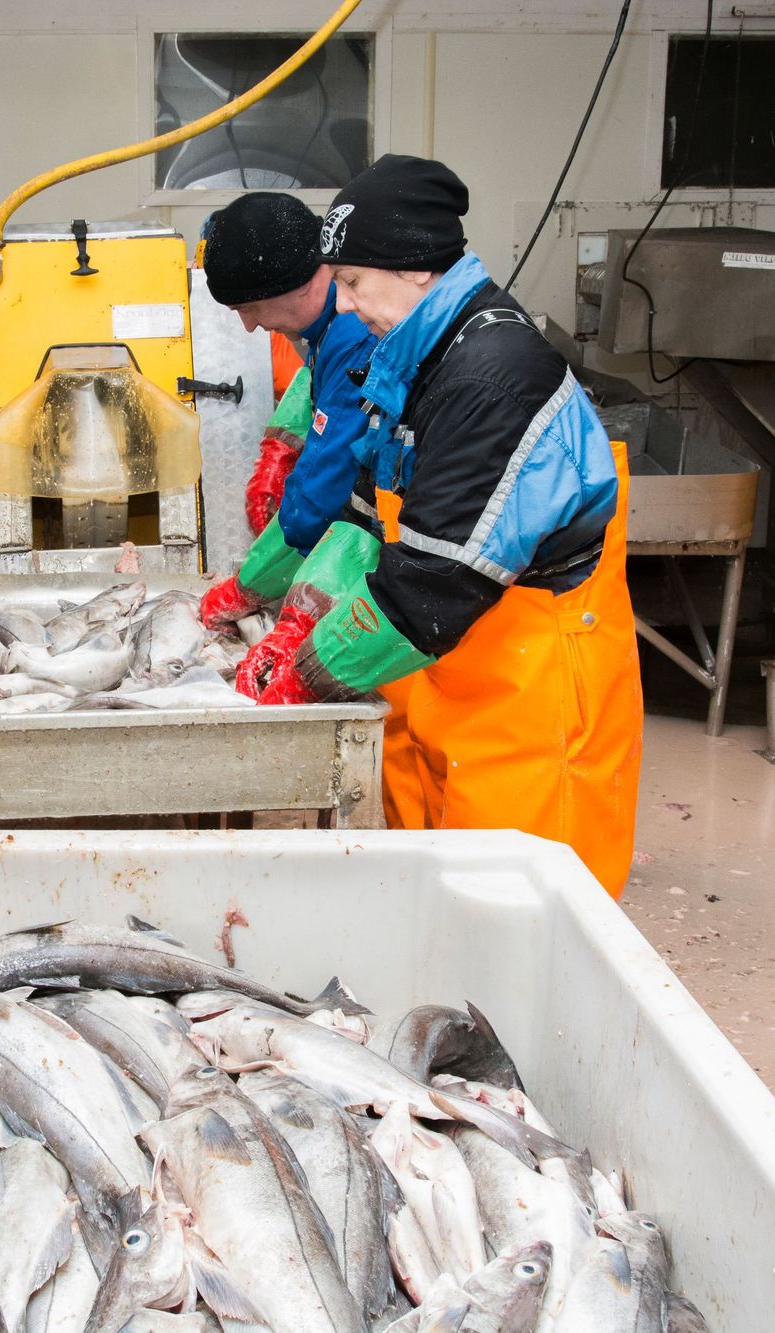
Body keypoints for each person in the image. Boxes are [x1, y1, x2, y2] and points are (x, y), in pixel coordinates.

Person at [237, 155, 643, 895]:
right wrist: (302, 617)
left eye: (355, 281)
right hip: (444, 660)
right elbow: (366, 508)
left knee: (516, 899)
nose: (348, 304)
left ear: (417, 267)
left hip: (527, 672)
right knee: (438, 879)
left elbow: (432, 584)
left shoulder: (491, 374)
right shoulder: (417, 350)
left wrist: (306, 673)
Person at [192, 193, 431, 820]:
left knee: (435, 753)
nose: (246, 326)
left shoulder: (357, 331)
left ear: (290, 289)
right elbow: (315, 390)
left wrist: (249, 587)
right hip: (409, 565)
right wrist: (282, 441)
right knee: (419, 762)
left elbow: (327, 494)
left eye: (248, 308)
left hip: (449, 586)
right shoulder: (327, 325)